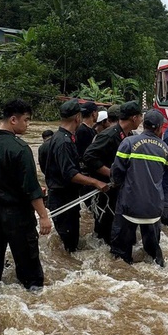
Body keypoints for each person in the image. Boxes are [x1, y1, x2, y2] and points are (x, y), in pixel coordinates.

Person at [0, 99, 52, 289]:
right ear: (13, 120)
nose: (28, 125)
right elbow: (31, 189)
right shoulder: (21, 149)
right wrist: (44, 216)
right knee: (29, 268)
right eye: (26, 120)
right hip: (17, 215)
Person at [43, 99, 110, 252]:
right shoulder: (64, 142)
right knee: (70, 245)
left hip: (65, 197)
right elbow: (70, 174)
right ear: (77, 118)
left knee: (69, 244)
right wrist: (95, 182)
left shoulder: (61, 137)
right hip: (62, 198)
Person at [110, 109, 168, 266]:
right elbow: (163, 173)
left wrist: (116, 184)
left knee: (120, 255)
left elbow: (117, 172)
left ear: (143, 125)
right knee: (152, 253)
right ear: (159, 128)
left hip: (129, 207)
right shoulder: (165, 149)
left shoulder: (129, 143)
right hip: (154, 209)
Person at [83, 101, 143, 243]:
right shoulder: (109, 135)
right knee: (105, 229)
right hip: (106, 191)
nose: (141, 120)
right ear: (134, 118)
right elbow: (88, 157)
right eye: (141, 116)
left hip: (119, 190)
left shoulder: (129, 135)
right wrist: (111, 173)